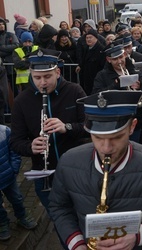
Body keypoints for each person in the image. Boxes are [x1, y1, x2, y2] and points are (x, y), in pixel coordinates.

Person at [48, 90, 142, 250]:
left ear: (132, 126)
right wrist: (76, 243)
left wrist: (137, 236)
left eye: (117, 137)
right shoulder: (68, 161)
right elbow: (59, 207)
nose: (106, 148)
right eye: (98, 137)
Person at [10, 48, 87, 212]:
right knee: (60, 220)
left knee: (82, 216)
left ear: (57, 72)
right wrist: (30, 146)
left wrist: (67, 127)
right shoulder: (21, 101)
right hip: (44, 174)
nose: (42, 83)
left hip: (78, 170)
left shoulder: (75, 91)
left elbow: (91, 126)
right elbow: (16, 142)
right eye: (37, 78)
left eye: (47, 76)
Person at [0, 124, 37, 241]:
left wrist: (14, 170)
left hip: (8, 176)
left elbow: (14, 151)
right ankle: (2, 223)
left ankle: (22, 215)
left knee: (17, 198)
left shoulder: (4, 131)